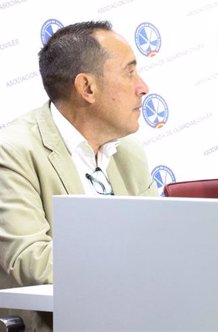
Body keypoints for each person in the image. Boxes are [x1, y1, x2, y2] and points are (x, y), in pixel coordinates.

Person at [0, 21, 159, 331]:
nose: (143, 86)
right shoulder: (14, 151)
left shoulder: (129, 152)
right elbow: (29, 261)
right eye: (129, 72)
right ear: (87, 87)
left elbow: (159, 240)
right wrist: (134, 265)